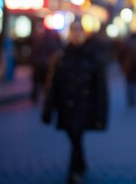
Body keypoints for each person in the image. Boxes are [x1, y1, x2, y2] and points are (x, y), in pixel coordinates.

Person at [42, 21, 108, 184]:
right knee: (74, 137)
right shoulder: (62, 55)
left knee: (77, 135)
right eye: (74, 30)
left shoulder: (93, 56)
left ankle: (73, 173)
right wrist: (48, 109)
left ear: (85, 34)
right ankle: (82, 163)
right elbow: (54, 85)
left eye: (79, 30)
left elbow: (101, 88)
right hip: (67, 105)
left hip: (85, 106)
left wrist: (101, 114)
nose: (77, 33)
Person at [30, 26, 63, 102]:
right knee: (45, 83)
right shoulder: (53, 42)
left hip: (38, 65)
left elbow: (34, 52)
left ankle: (35, 96)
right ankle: (46, 97)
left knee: (36, 83)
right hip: (46, 66)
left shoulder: (39, 40)